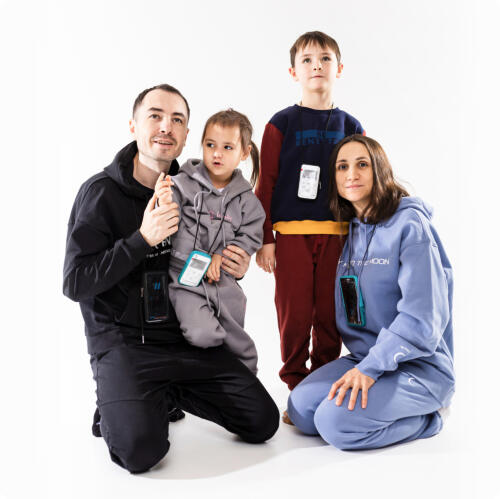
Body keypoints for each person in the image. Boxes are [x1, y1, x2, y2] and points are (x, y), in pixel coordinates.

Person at [63, 84, 279, 474]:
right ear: (133, 125)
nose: (166, 126)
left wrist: (238, 261)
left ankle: (162, 395)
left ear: (185, 135)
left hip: (184, 338)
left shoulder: (198, 186)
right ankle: (122, 399)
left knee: (262, 421)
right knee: (140, 452)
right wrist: (142, 239)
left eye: (177, 119)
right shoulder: (101, 193)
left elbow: (217, 249)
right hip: (127, 344)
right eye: (155, 116)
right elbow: (75, 283)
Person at [287, 135, 455, 449]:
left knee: (334, 424)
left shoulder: (410, 224)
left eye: (362, 164)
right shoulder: (351, 230)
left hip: (419, 366)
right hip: (365, 357)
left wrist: (371, 368)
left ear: (379, 169)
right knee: (302, 410)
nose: (351, 174)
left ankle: (431, 418)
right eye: (342, 166)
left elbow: (423, 318)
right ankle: (371, 404)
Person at [254, 31, 365, 421]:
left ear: (339, 68)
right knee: (295, 315)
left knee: (332, 315)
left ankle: (323, 386)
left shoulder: (351, 125)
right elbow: (265, 183)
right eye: (307, 60)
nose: (316, 65)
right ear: (293, 72)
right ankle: (297, 388)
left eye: (325, 58)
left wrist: (362, 239)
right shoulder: (281, 123)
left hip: (340, 237)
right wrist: (265, 239)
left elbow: (361, 186)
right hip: (291, 236)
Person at [154, 109, 265, 374]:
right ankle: (210, 372)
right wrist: (163, 201)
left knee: (241, 346)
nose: (217, 154)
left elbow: (250, 236)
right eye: (210, 145)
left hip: (223, 281)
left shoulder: (248, 201)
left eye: (227, 147)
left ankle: (245, 385)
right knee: (204, 334)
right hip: (186, 278)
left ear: (244, 152)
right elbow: (166, 217)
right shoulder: (182, 184)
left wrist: (222, 256)